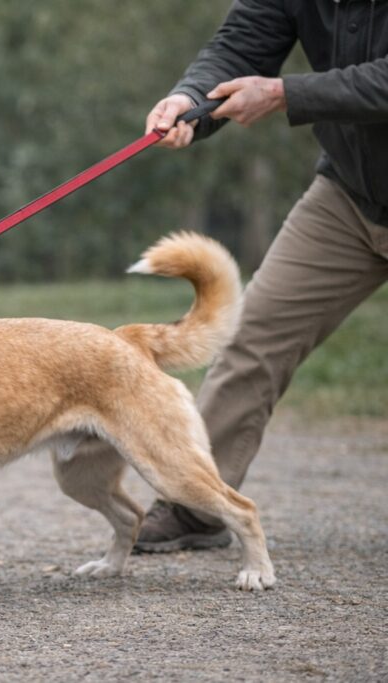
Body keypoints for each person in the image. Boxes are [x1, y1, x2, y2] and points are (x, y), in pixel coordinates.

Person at [133, 0, 388, 552]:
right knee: (251, 337)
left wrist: (284, 93)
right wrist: (191, 100)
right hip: (350, 196)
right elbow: (241, 44)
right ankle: (199, 504)